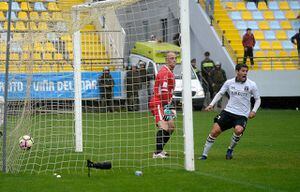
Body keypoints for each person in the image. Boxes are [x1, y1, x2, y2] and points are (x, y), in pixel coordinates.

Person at [199, 63, 261, 160]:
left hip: (242, 115)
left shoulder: (252, 84)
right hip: (228, 112)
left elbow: (258, 99)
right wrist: (211, 104)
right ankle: (204, 155)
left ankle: (230, 150)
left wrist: (254, 111)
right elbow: (220, 93)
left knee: (238, 130)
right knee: (214, 131)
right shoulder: (229, 82)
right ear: (237, 71)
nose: (245, 73)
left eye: (246, 71)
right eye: (243, 71)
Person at [149, 52, 177, 158]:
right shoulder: (164, 72)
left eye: (175, 58)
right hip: (158, 103)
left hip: (165, 104)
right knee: (164, 126)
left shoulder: (169, 72)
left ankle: (160, 150)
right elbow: (164, 90)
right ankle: (157, 153)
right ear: (166, 60)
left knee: (171, 127)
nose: (174, 60)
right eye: (171, 58)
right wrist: (167, 107)